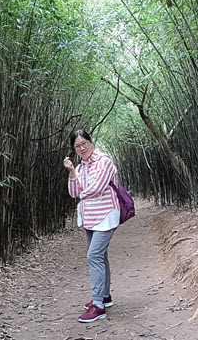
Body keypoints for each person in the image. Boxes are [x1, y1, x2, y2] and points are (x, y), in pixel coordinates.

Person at [63, 130, 120, 323]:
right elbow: (73, 192)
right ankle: (105, 296)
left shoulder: (104, 161)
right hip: (89, 217)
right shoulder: (80, 167)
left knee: (93, 256)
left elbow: (97, 188)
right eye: (77, 146)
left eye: (84, 143)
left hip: (105, 216)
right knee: (100, 257)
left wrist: (81, 192)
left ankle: (98, 306)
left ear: (90, 142)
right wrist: (72, 172)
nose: (82, 148)